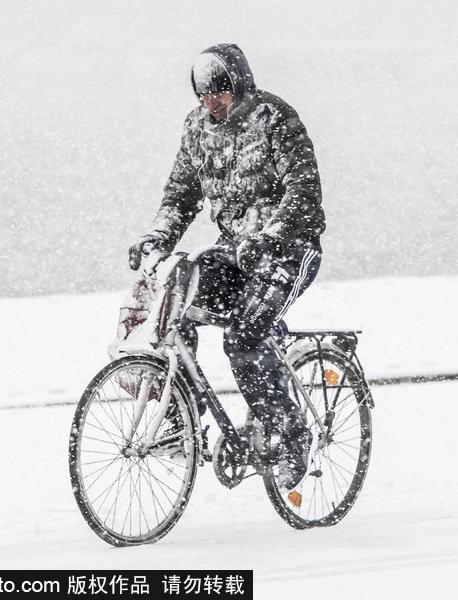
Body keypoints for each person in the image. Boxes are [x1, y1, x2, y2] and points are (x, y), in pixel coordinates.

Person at [126, 44, 325, 489]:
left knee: (244, 336)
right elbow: (180, 194)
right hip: (235, 250)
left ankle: (291, 434)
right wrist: (157, 237)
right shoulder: (197, 128)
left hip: (289, 250)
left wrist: (271, 236)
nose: (211, 101)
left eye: (220, 91)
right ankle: (185, 420)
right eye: (203, 93)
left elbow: (304, 193)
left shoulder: (275, 118)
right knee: (177, 310)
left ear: (239, 83)